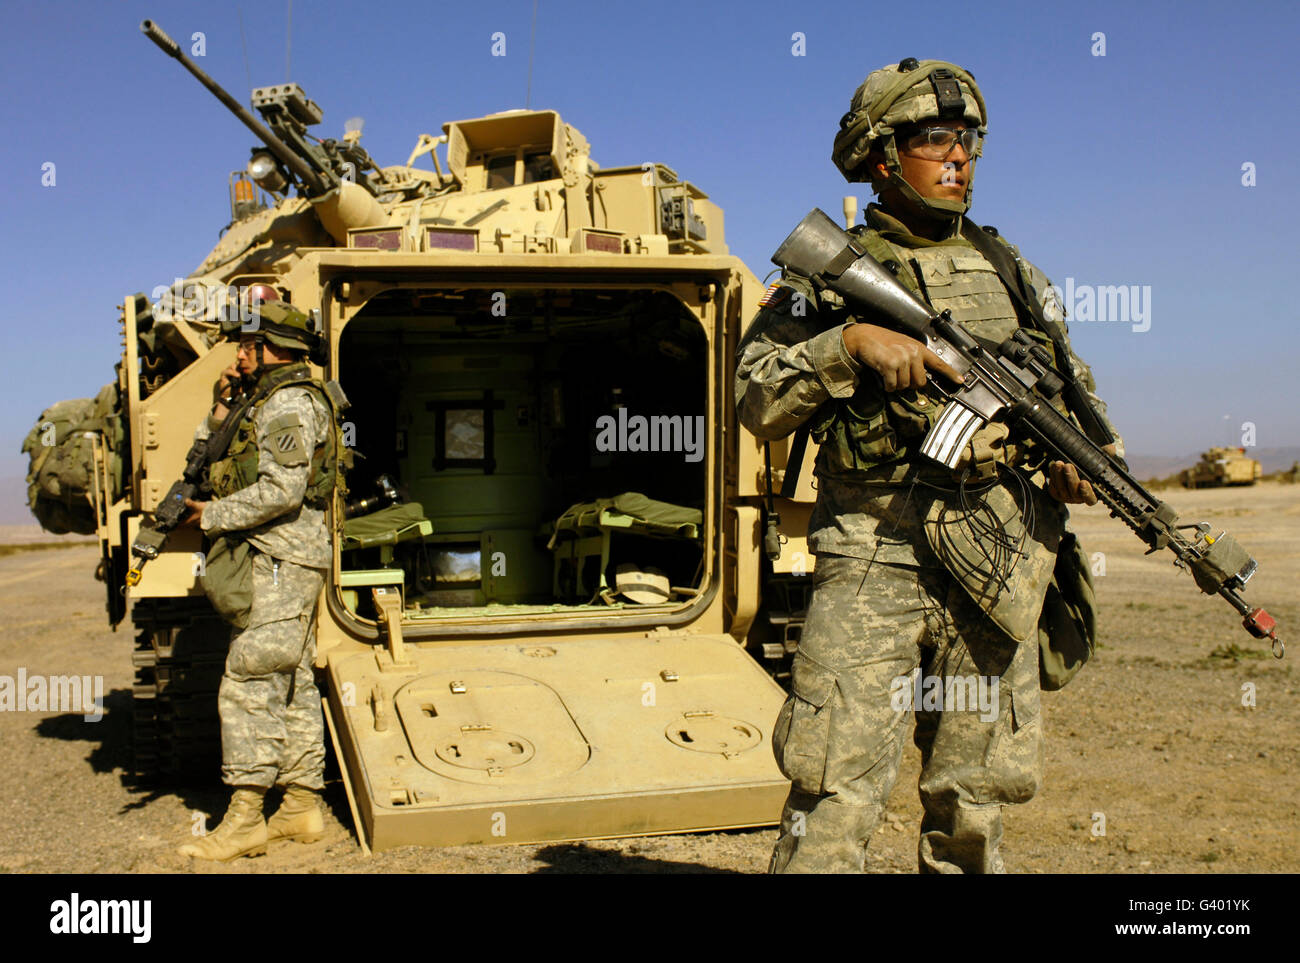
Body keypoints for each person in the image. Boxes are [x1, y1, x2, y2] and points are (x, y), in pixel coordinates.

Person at [735, 59, 1123, 873]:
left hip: (994, 559)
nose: (959, 156)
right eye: (935, 137)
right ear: (882, 155)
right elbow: (757, 400)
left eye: (970, 139)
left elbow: (1072, 395)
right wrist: (848, 345)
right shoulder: (825, 274)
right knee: (833, 790)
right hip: (876, 556)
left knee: (973, 802)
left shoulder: (1013, 273)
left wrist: (1078, 464)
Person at [177, 298, 337, 861]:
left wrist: (210, 515)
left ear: (274, 350)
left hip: (281, 557)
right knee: (289, 679)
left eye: (249, 345)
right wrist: (222, 407)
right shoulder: (262, 400)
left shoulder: (289, 405)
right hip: (281, 557)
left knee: (249, 679)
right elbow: (222, 450)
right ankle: (300, 806)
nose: (240, 354)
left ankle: (245, 817)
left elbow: (282, 492)